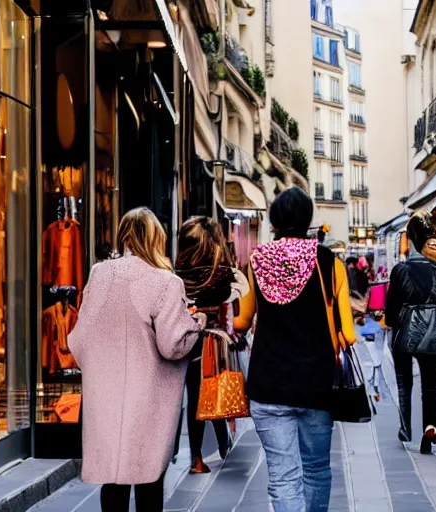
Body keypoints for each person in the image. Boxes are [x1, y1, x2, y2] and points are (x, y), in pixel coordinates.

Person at [68, 207, 205, 512]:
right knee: (149, 481)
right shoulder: (166, 283)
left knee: (113, 482)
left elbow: (78, 340)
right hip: (148, 401)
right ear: (157, 238)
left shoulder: (99, 275)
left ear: (123, 236)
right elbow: (172, 345)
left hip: (106, 398)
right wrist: (197, 325)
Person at [236, 187, 356, 511]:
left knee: (282, 478)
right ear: (308, 220)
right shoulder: (330, 263)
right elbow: (349, 333)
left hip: (268, 383)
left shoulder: (256, 261)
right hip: (317, 384)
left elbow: (243, 320)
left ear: (274, 221)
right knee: (316, 470)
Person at [385, 210, 436, 454]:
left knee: (404, 382)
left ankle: (405, 428)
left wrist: (392, 320)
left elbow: (391, 310)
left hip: (406, 333)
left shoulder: (400, 271)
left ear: (414, 244)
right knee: (430, 387)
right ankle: (429, 426)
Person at [175, 216, 241, 474]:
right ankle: (223, 444)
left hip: (189, 339)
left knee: (195, 396)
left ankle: (197, 457)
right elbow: (234, 308)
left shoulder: (176, 275)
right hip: (215, 341)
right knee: (216, 391)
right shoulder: (224, 273)